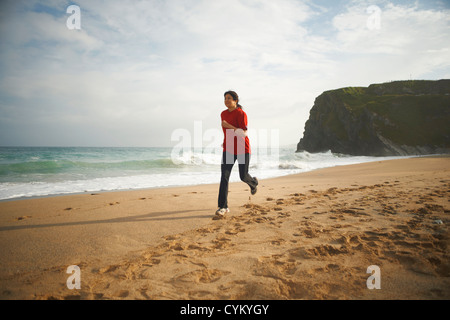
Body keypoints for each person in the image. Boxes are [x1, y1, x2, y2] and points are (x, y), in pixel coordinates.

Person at [216, 90, 258, 217]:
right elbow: (226, 132)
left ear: (235, 100)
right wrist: (225, 142)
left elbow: (243, 133)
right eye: (225, 98)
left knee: (243, 175)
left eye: (229, 98)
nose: (226, 100)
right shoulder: (223, 113)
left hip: (242, 149)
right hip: (228, 149)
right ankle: (223, 207)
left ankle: (254, 183)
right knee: (224, 177)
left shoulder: (241, 113)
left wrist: (228, 125)